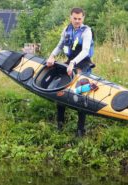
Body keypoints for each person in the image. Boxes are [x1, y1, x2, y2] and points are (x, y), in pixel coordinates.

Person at [46, 7, 94, 137]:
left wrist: (73, 63)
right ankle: (60, 124)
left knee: (81, 96)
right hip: (70, 62)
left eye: (79, 19)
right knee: (61, 91)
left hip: (83, 63)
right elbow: (60, 45)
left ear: (83, 18)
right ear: (70, 17)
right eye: (75, 18)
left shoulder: (86, 31)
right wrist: (52, 56)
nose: (77, 21)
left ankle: (80, 130)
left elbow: (85, 51)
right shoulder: (66, 29)